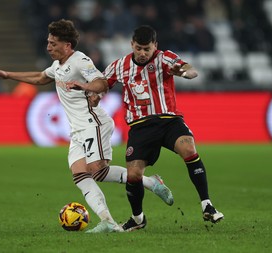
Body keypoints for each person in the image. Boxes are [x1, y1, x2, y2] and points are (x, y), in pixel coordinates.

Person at [0, 19, 174, 233]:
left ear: (67, 45)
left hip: (94, 123)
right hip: (77, 129)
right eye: (48, 42)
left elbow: (101, 82)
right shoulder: (57, 66)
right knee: (80, 175)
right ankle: (109, 222)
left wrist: (88, 88)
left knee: (96, 170)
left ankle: (149, 182)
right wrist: (7, 74)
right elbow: (39, 76)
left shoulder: (80, 60)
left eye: (53, 43)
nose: (48, 47)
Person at [69, 25, 224, 232]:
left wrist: (187, 73)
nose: (142, 53)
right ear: (132, 44)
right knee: (134, 175)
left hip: (168, 120)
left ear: (155, 46)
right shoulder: (120, 65)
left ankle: (207, 205)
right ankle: (138, 218)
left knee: (189, 149)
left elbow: (186, 67)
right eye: (139, 48)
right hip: (140, 126)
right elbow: (104, 83)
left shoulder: (164, 58)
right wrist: (96, 95)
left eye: (147, 49)